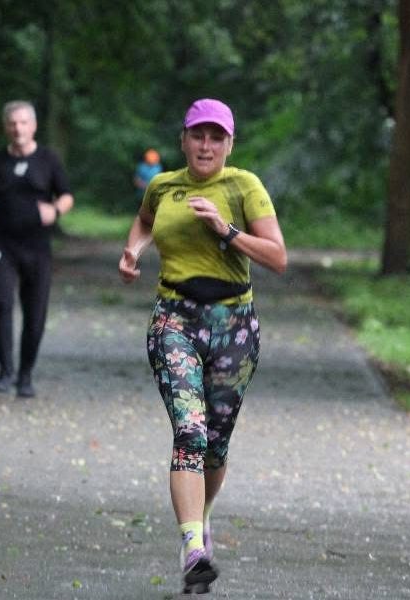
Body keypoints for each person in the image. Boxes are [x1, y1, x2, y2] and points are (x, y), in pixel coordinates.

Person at [117, 98, 287, 594]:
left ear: (230, 144)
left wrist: (226, 230)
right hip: (175, 319)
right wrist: (133, 251)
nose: (206, 145)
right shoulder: (163, 186)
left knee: (215, 442)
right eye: (198, 135)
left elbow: (277, 257)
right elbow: (145, 221)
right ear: (184, 141)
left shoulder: (244, 186)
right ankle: (193, 547)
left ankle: (203, 518)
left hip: (234, 325)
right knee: (189, 431)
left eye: (216, 137)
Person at [0, 100, 74, 398]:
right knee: (1, 302)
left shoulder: (48, 159)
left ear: (34, 126)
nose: (18, 128)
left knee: (36, 311)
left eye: (23, 122)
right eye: (12, 123)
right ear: (5, 127)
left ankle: (25, 375)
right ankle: (5, 370)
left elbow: (67, 196)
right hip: (2, 243)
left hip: (37, 246)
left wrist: (55, 210)